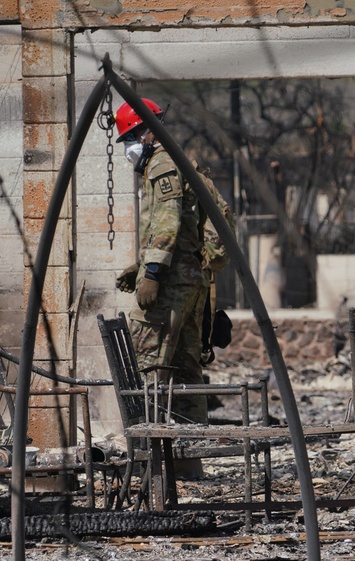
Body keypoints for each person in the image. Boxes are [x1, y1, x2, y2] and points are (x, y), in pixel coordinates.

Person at [112, 98, 235, 427]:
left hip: (172, 284)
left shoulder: (162, 164)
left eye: (129, 139)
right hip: (191, 281)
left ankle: (151, 459)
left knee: (148, 366)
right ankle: (190, 457)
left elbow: (167, 222)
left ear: (145, 133)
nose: (128, 149)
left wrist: (152, 272)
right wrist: (142, 267)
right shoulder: (180, 161)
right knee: (185, 370)